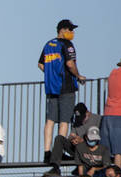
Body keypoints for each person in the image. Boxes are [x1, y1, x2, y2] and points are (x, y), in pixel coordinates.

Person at [39, 19, 86, 165]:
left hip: (51, 88)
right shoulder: (67, 44)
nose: (72, 33)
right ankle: (58, 152)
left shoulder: (48, 44)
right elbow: (70, 64)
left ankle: (47, 152)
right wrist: (78, 76)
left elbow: (41, 64)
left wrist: (50, 75)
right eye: (70, 30)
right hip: (66, 86)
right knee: (64, 120)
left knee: (50, 120)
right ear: (62, 30)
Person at [47, 103, 100, 173]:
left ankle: (81, 166)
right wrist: (73, 139)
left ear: (88, 112)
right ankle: (55, 167)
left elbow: (99, 137)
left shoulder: (97, 119)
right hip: (77, 148)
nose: (82, 120)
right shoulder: (77, 122)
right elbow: (71, 135)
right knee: (59, 138)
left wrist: (83, 140)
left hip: (90, 148)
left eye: (83, 117)